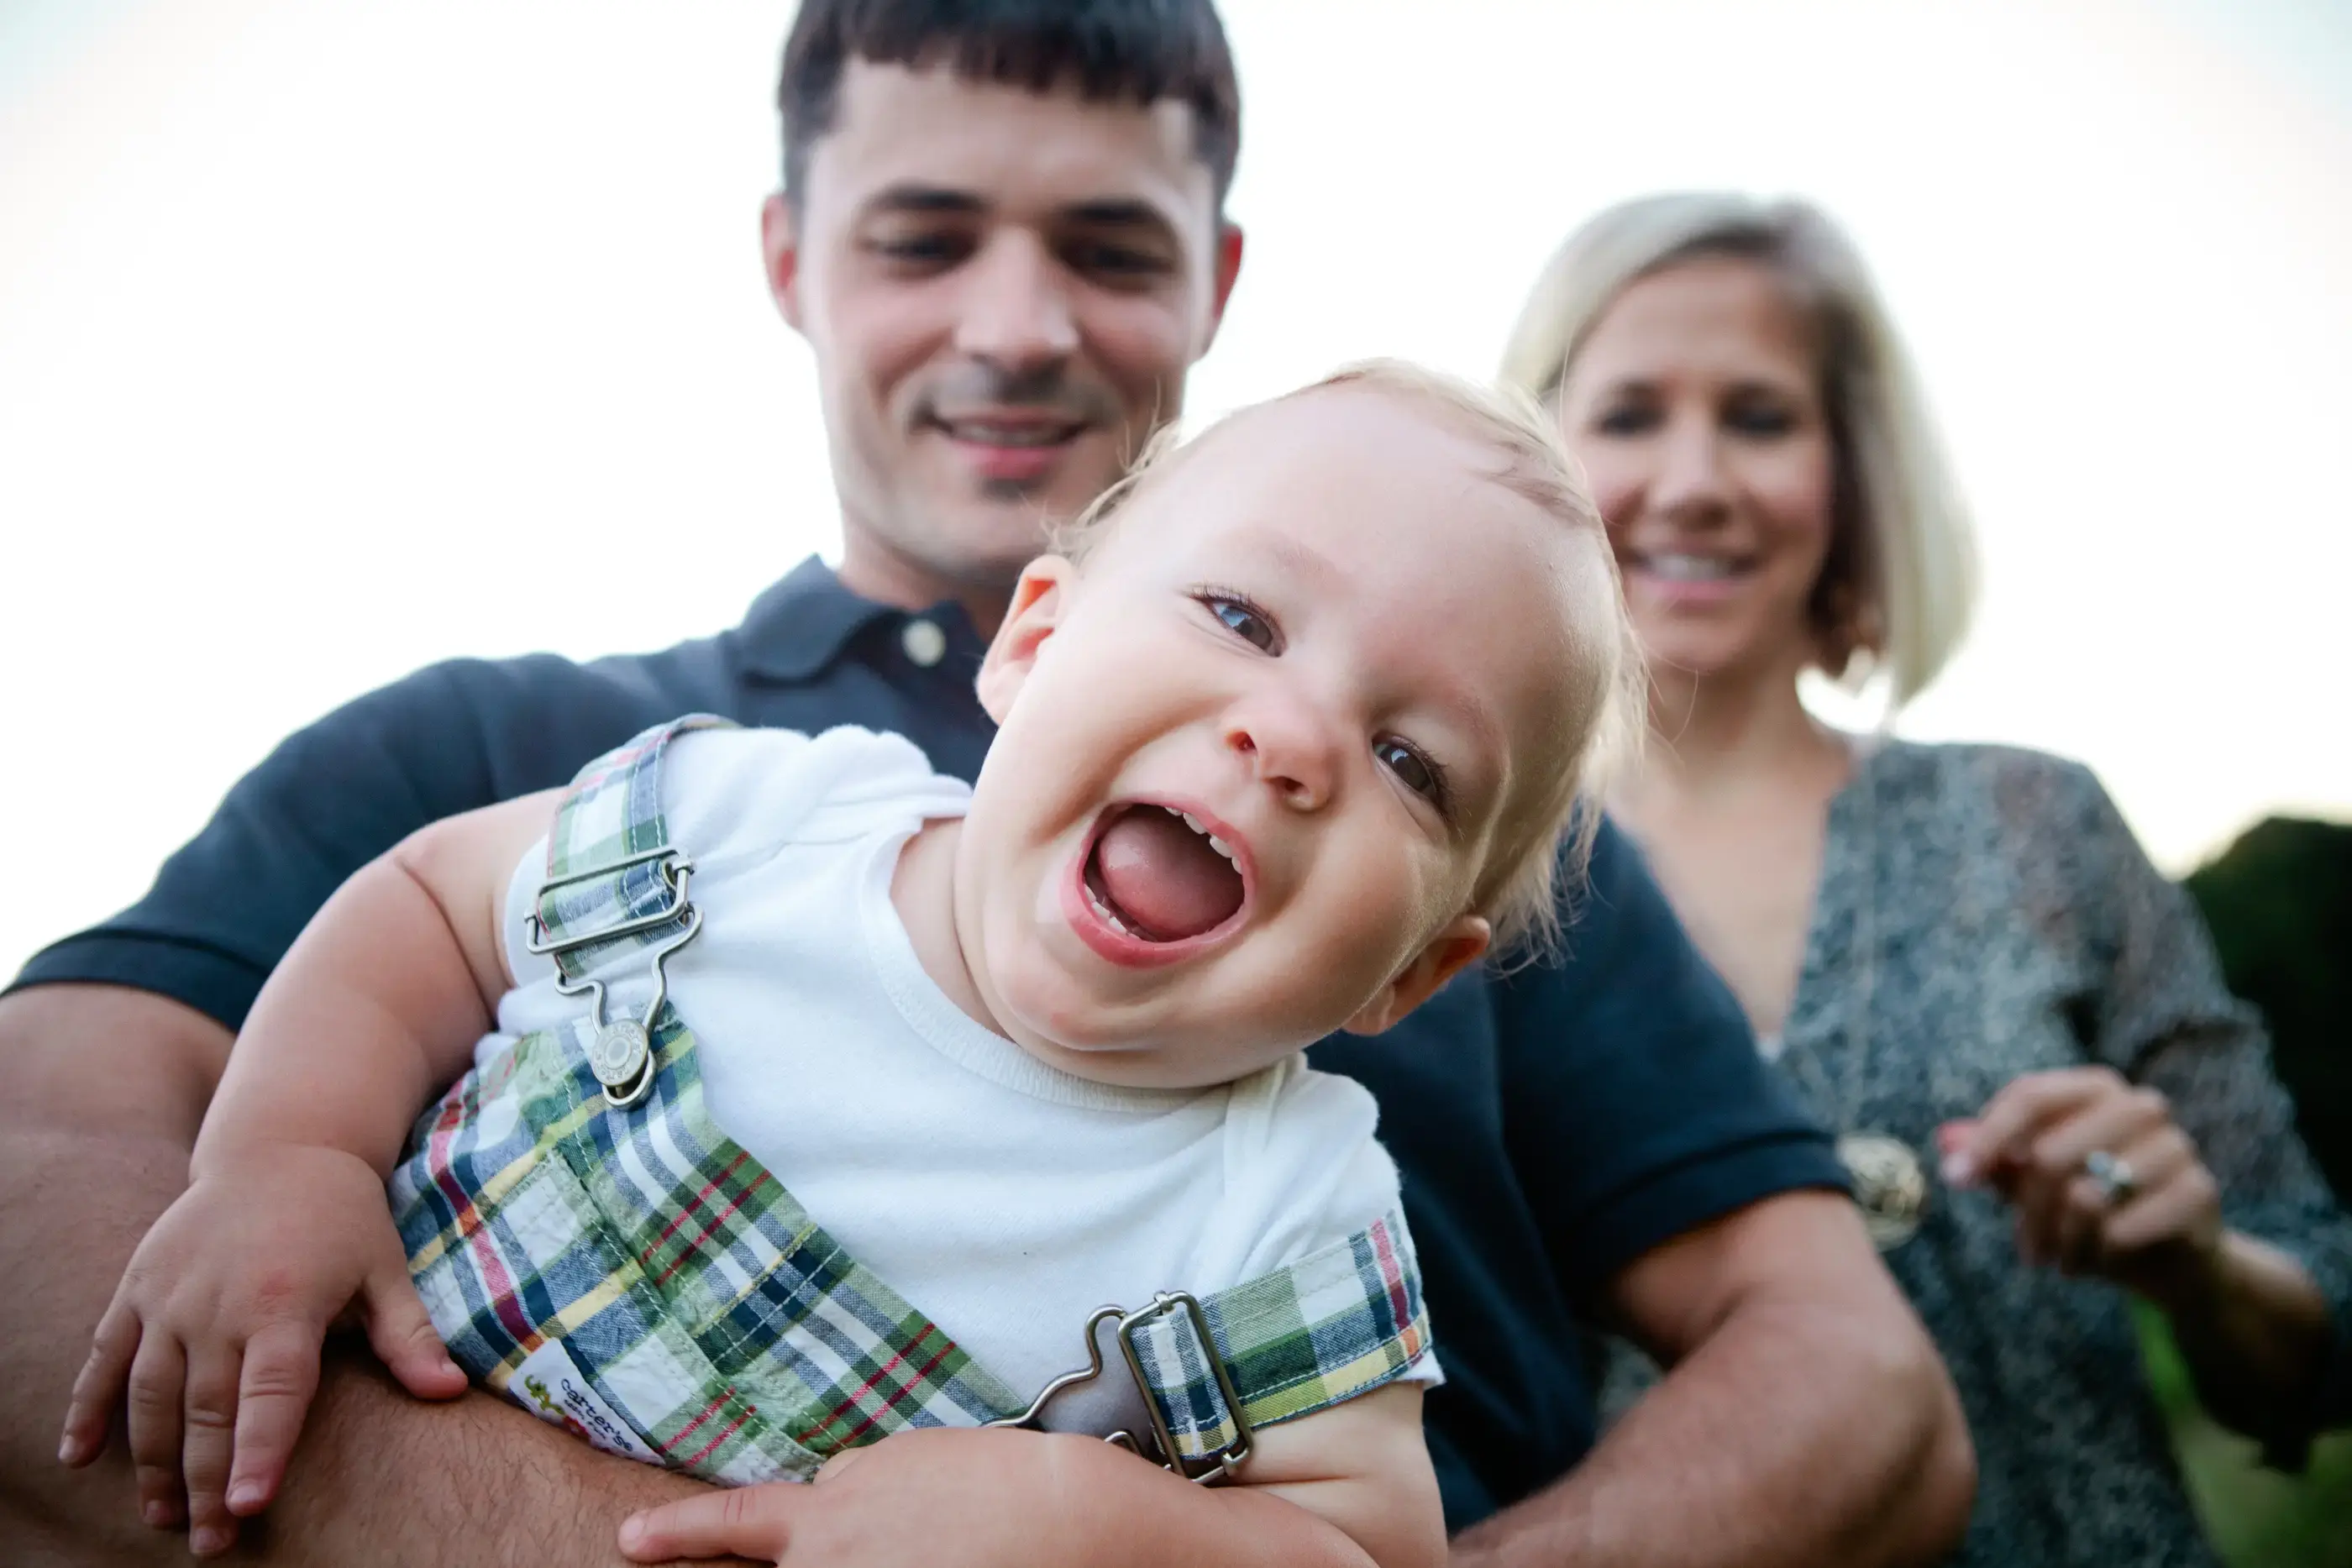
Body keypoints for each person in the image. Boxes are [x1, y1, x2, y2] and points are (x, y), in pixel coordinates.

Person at [1, 8, 1973, 1565]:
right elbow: (38, 1182)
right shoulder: (577, 775)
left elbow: (1857, 1403)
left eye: (1105, 249)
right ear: (789, 256)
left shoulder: (1489, 880)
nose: (1016, 325)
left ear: (1211, 280)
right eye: (925, 235)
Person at [64, 362, 1641, 1568]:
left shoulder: (1286, 1213)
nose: (1288, 738)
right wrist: (290, 1154)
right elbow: (433, 902)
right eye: (1241, 612)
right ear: (1033, 642)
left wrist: (1079, 1521)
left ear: (1411, 977)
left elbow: (1362, 1547)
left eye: (1410, 760)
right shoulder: (753, 822)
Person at [1499, 190, 2352, 1567]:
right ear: (1535, 453)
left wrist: (2198, 1265)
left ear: (1852, 470)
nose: (1698, 476)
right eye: (1631, 412)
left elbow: (2321, 1344)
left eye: (1762, 416)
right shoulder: (1455, 894)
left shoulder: (2036, 820)